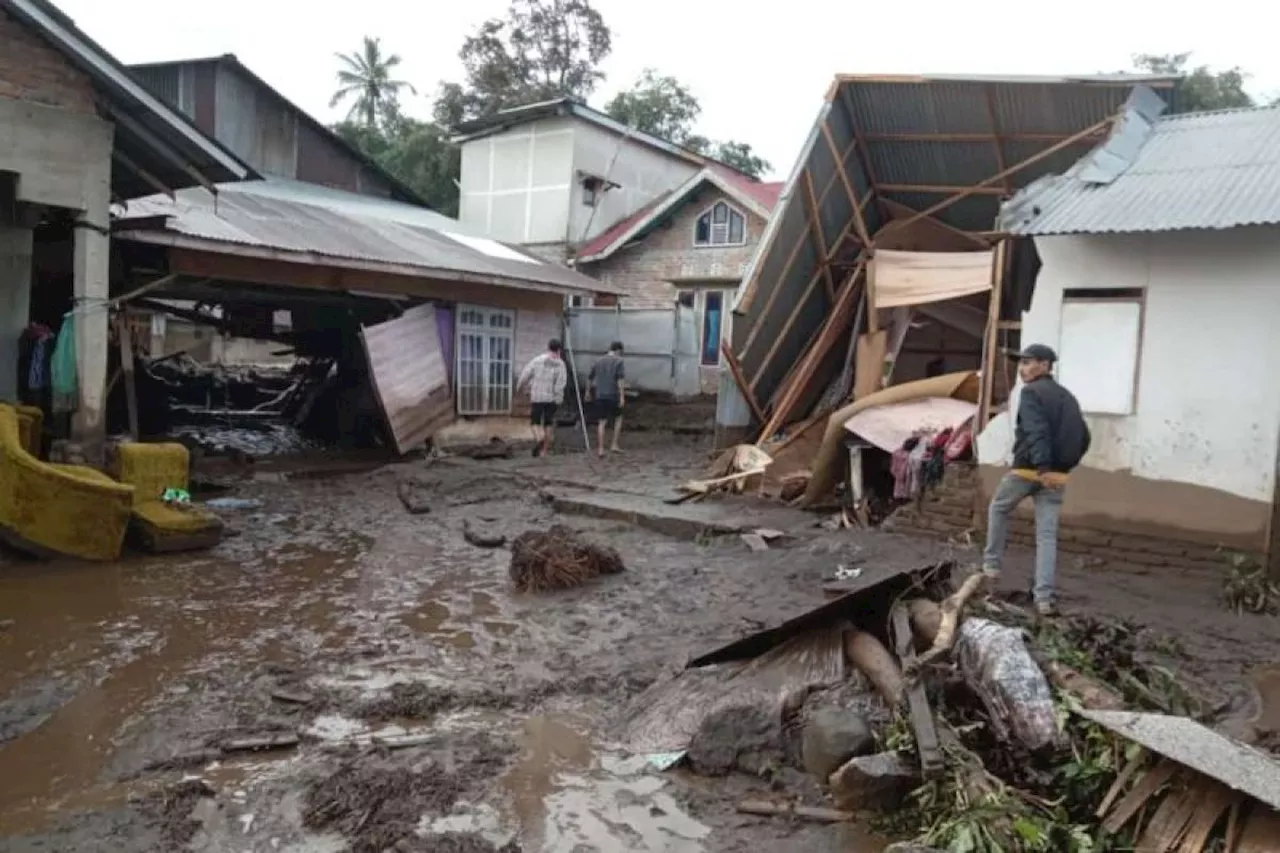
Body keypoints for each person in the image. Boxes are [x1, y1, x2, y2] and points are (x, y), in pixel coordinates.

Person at [981, 343, 1090, 616]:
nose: (1022, 369)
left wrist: (1042, 467)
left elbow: (1035, 430)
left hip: (1029, 471)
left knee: (998, 508)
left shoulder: (1031, 393)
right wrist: (1062, 469)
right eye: (1021, 363)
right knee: (1047, 536)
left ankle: (990, 567)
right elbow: (1084, 436)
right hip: (1056, 477)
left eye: (1028, 363)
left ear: (1044, 366)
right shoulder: (1067, 397)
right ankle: (1043, 599)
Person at [516, 338, 567, 458]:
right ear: (559, 349)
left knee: (535, 422)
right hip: (551, 399)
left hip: (537, 397)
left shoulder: (537, 360)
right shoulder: (561, 364)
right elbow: (561, 384)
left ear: (548, 347)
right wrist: (559, 399)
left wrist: (519, 387)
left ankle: (539, 438)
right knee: (548, 424)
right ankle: (544, 452)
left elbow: (525, 374)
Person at [588, 341, 626, 457]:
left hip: (600, 395)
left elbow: (590, 377)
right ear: (619, 350)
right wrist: (622, 396)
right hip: (613, 394)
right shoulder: (619, 361)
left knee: (602, 422)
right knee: (618, 418)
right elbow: (620, 380)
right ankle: (614, 444)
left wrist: (587, 392)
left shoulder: (598, 361)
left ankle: (600, 449)